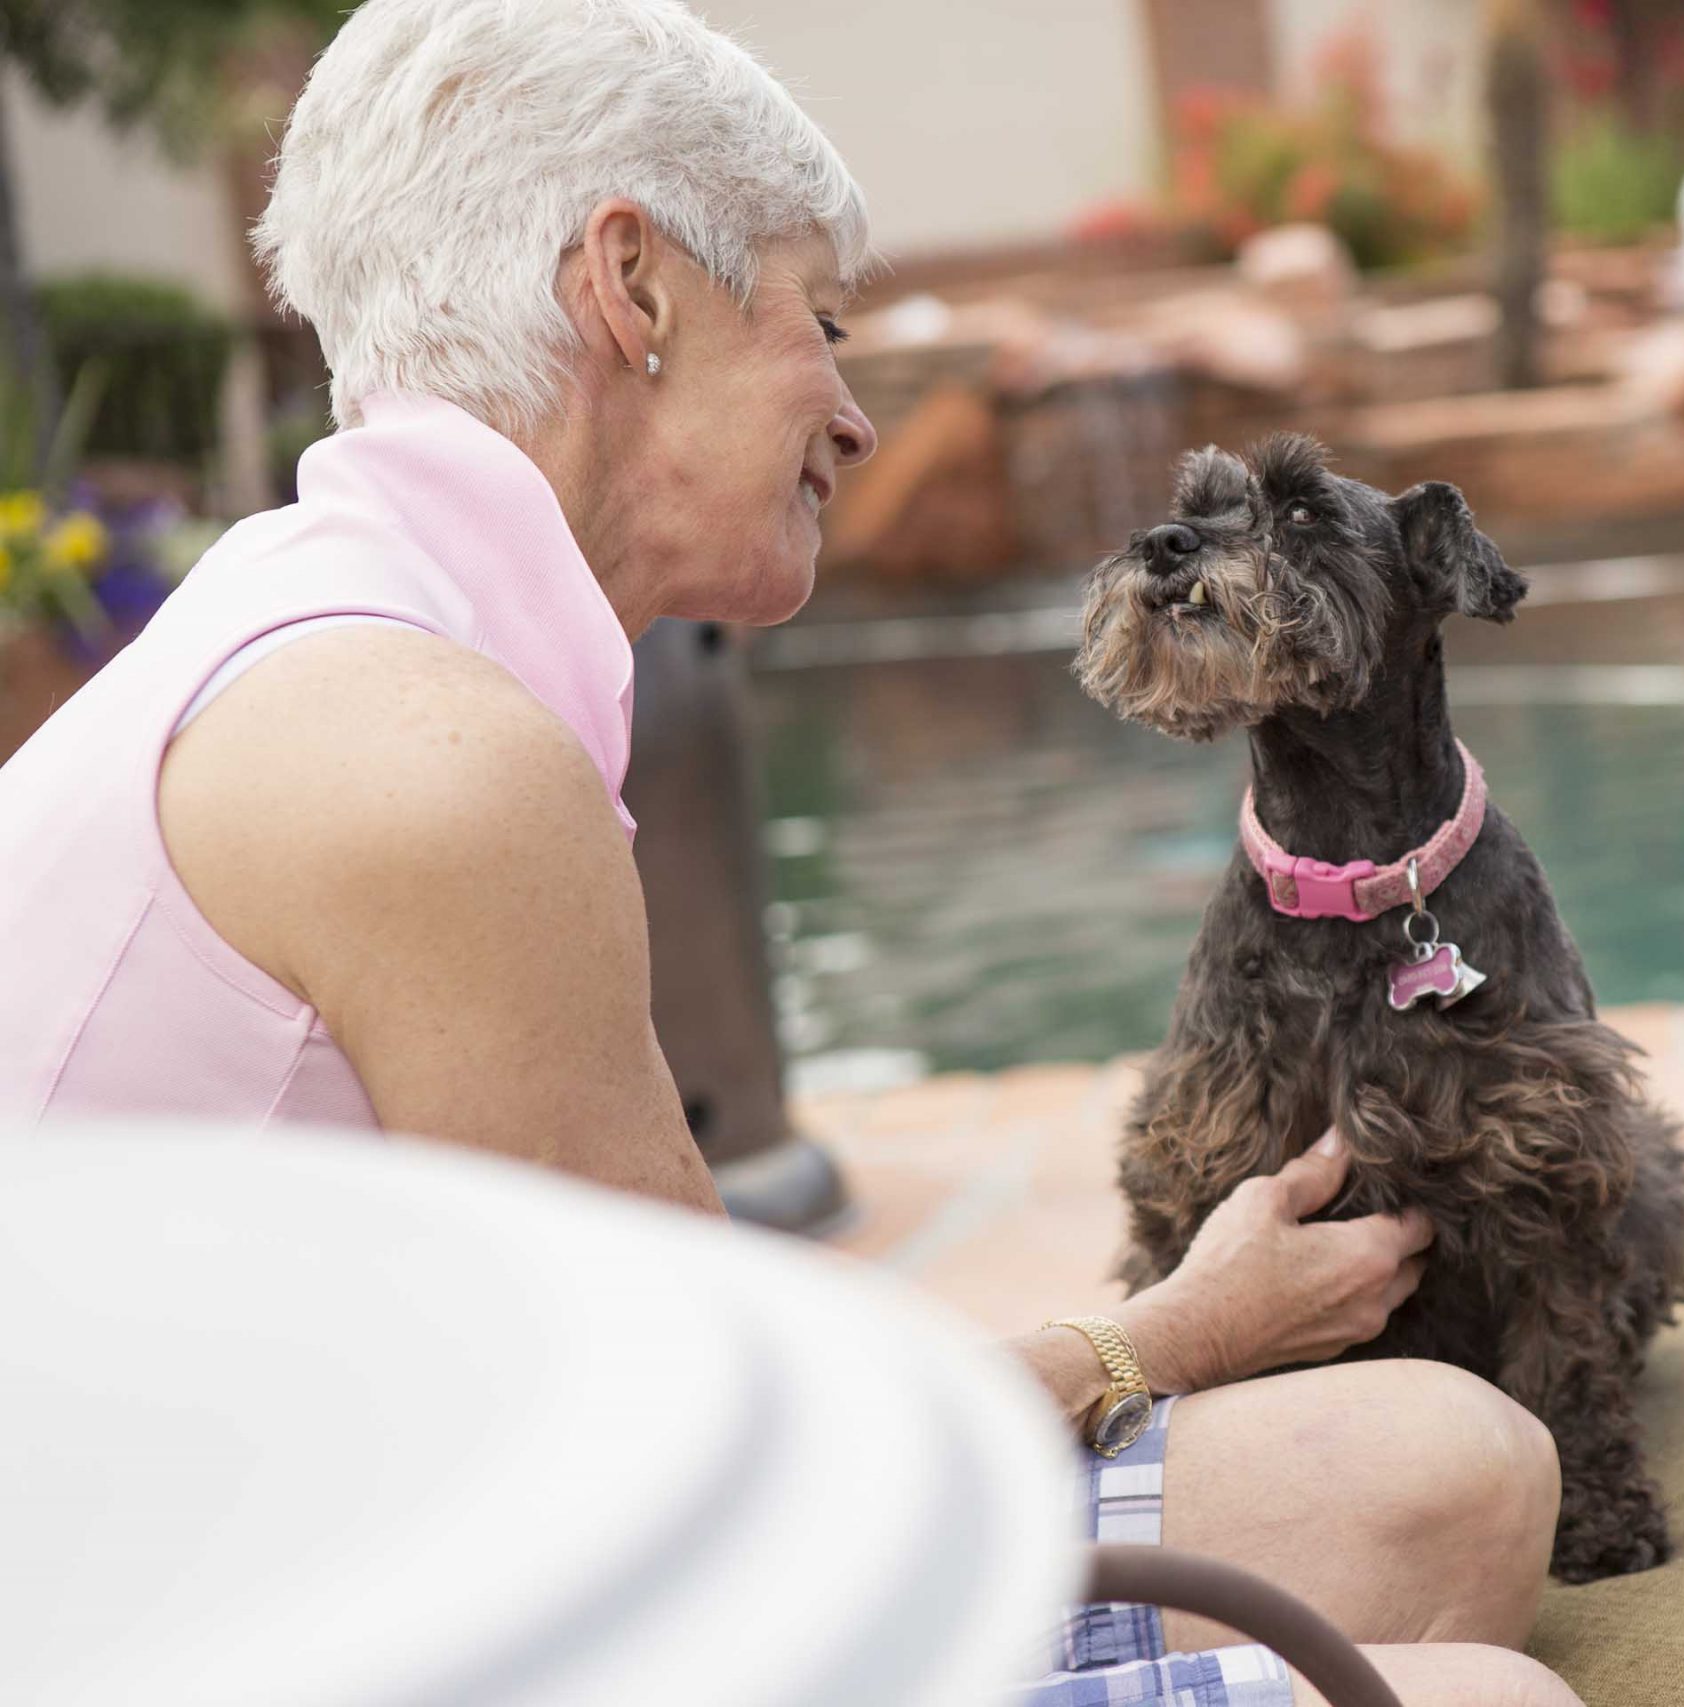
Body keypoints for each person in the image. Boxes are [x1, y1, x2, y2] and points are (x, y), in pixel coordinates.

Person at [0, 4, 1581, 1703]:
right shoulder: (431, 766)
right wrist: (1171, 1336)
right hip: (328, 1644)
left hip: (378, 1550)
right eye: (817, 319)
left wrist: (1179, 1331)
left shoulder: (321, 622)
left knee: (1457, 1480)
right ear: (633, 287)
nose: (855, 416)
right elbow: (745, 1475)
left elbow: (683, 1383)